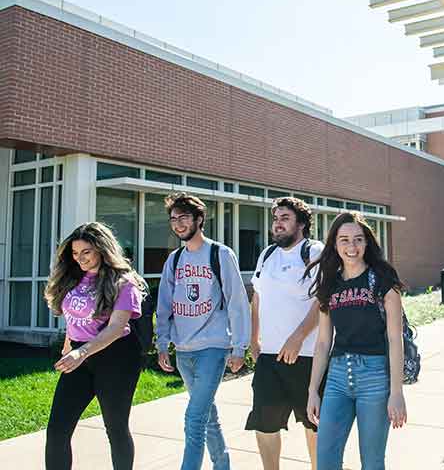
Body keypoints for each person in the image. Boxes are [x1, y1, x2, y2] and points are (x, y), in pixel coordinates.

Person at [305, 212, 408, 470]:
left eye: (358, 239)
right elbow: (322, 343)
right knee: (326, 460)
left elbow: (395, 339)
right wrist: (312, 390)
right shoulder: (330, 283)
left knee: (372, 462)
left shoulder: (383, 280)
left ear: (367, 242)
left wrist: (397, 392)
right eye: (344, 240)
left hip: (374, 377)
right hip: (337, 378)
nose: (352, 247)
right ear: (335, 244)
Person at [156, 192, 250, 470]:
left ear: (199, 219)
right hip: (184, 350)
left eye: (183, 217)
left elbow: (237, 302)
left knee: (194, 419)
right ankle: (223, 465)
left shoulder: (219, 254)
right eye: (173, 219)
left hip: (213, 347)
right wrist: (162, 342)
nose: (178, 224)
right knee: (207, 415)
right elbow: (164, 304)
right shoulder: (174, 260)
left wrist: (239, 346)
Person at [44, 222, 146, 470]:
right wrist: (70, 344)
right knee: (57, 430)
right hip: (80, 355)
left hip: (117, 358)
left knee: (115, 427)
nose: (80, 258)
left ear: (101, 249)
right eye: (75, 253)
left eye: (86, 252)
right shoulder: (73, 278)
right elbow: (73, 315)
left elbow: (115, 328)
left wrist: (81, 351)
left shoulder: (124, 282)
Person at [245, 197, 324, 470]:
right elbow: (257, 298)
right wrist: (254, 338)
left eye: (285, 218)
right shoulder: (267, 254)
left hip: (308, 357)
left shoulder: (315, 252)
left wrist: (298, 336)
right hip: (270, 357)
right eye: (275, 219)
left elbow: (324, 299)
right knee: (264, 423)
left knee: (314, 424)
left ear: (301, 224)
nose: (277, 224)